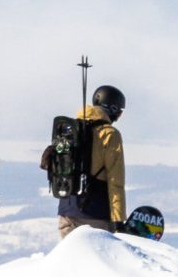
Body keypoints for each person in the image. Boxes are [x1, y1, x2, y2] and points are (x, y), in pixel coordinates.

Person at [53, 85, 128, 238]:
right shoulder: (110, 134)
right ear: (112, 109)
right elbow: (116, 181)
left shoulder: (69, 130)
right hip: (97, 214)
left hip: (67, 211)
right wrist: (118, 219)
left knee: (69, 261)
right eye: (119, 112)